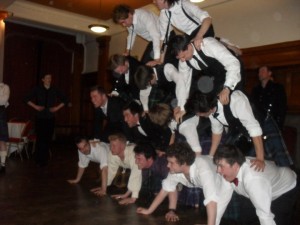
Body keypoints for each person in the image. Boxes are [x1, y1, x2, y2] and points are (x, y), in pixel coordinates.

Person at [136, 142, 219, 225]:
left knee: (216, 217)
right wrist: (148, 211)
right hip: (210, 182)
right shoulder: (175, 171)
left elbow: (211, 201)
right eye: (168, 162)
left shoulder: (203, 169)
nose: (168, 165)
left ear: (183, 163)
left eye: (171, 162)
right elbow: (165, 190)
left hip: (223, 179)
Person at [214, 145, 298, 225]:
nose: (218, 170)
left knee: (275, 220)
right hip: (262, 187)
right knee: (245, 218)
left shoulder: (253, 180)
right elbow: (222, 201)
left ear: (235, 165)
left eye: (221, 166)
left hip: (284, 188)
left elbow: (265, 216)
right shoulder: (228, 173)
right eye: (217, 166)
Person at [185, 90, 265, 171]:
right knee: (230, 159)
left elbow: (254, 128)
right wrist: (210, 157)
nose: (197, 115)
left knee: (261, 165)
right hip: (242, 132)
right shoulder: (211, 109)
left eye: (198, 113)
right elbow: (217, 132)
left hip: (263, 128)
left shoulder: (236, 100)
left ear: (209, 109)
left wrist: (260, 158)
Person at [25, 74, 69, 166]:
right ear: (43, 79)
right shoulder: (37, 89)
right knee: (40, 138)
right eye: (47, 78)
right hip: (40, 117)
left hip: (50, 117)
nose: (49, 79)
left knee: (48, 138)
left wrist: (56, 108)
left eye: (50, 78)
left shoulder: (54, 89)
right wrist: (36, 107)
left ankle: (44, 160)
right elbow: (26, 99)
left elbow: (65, 99)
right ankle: (38, 160)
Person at [107, 133, 142, 205]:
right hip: (130, 169)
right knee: (118, 183)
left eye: (114, 145)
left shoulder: (133, 152)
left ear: (123, 146)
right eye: (110, 145)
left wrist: (133, 198)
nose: (111, 148)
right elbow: (110, 171)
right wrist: (103, 187)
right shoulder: (112, 153)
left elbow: (136, 173)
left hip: (149, 169)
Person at [251, 65, 287, 130]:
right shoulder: (256, 90)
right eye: (259, 72)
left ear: (269, 73)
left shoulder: (277, 88)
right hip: (258, 122)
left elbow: (282, 107)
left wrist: (278, 125)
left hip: (272, 122)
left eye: (263, 71)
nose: (260, 73)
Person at [0, 82, 10, 173]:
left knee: (2, 140)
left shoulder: (5, 87)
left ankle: (2, 164)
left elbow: (4, 100)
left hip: (1, 113)